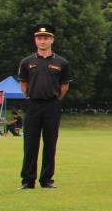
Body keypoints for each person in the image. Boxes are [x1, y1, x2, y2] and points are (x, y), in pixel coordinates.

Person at [16, 23, 71, 189]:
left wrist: (56, 100)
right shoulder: (27, 62)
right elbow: (23, 83)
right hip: (33, 105)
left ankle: (46, 180)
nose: (43, 41)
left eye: (46, 38)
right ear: (35, 40)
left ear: (52, 40)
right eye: (39, 38)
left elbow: (64, 86)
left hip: (52, 106)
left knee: (50, 143)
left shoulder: (62, 62)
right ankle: (27, 180)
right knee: (30, 143)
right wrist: (29, 97)